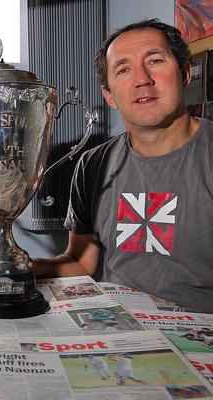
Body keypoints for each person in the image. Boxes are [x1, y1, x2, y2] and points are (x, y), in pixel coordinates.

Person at [34, 19, 213, 313]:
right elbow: (81, 262)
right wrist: (22, 266)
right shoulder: (93, 165)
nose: (142, 79)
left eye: (155, 61)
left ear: (184, 73)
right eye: (124, 69)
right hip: (114, 323)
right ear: (109, 96)